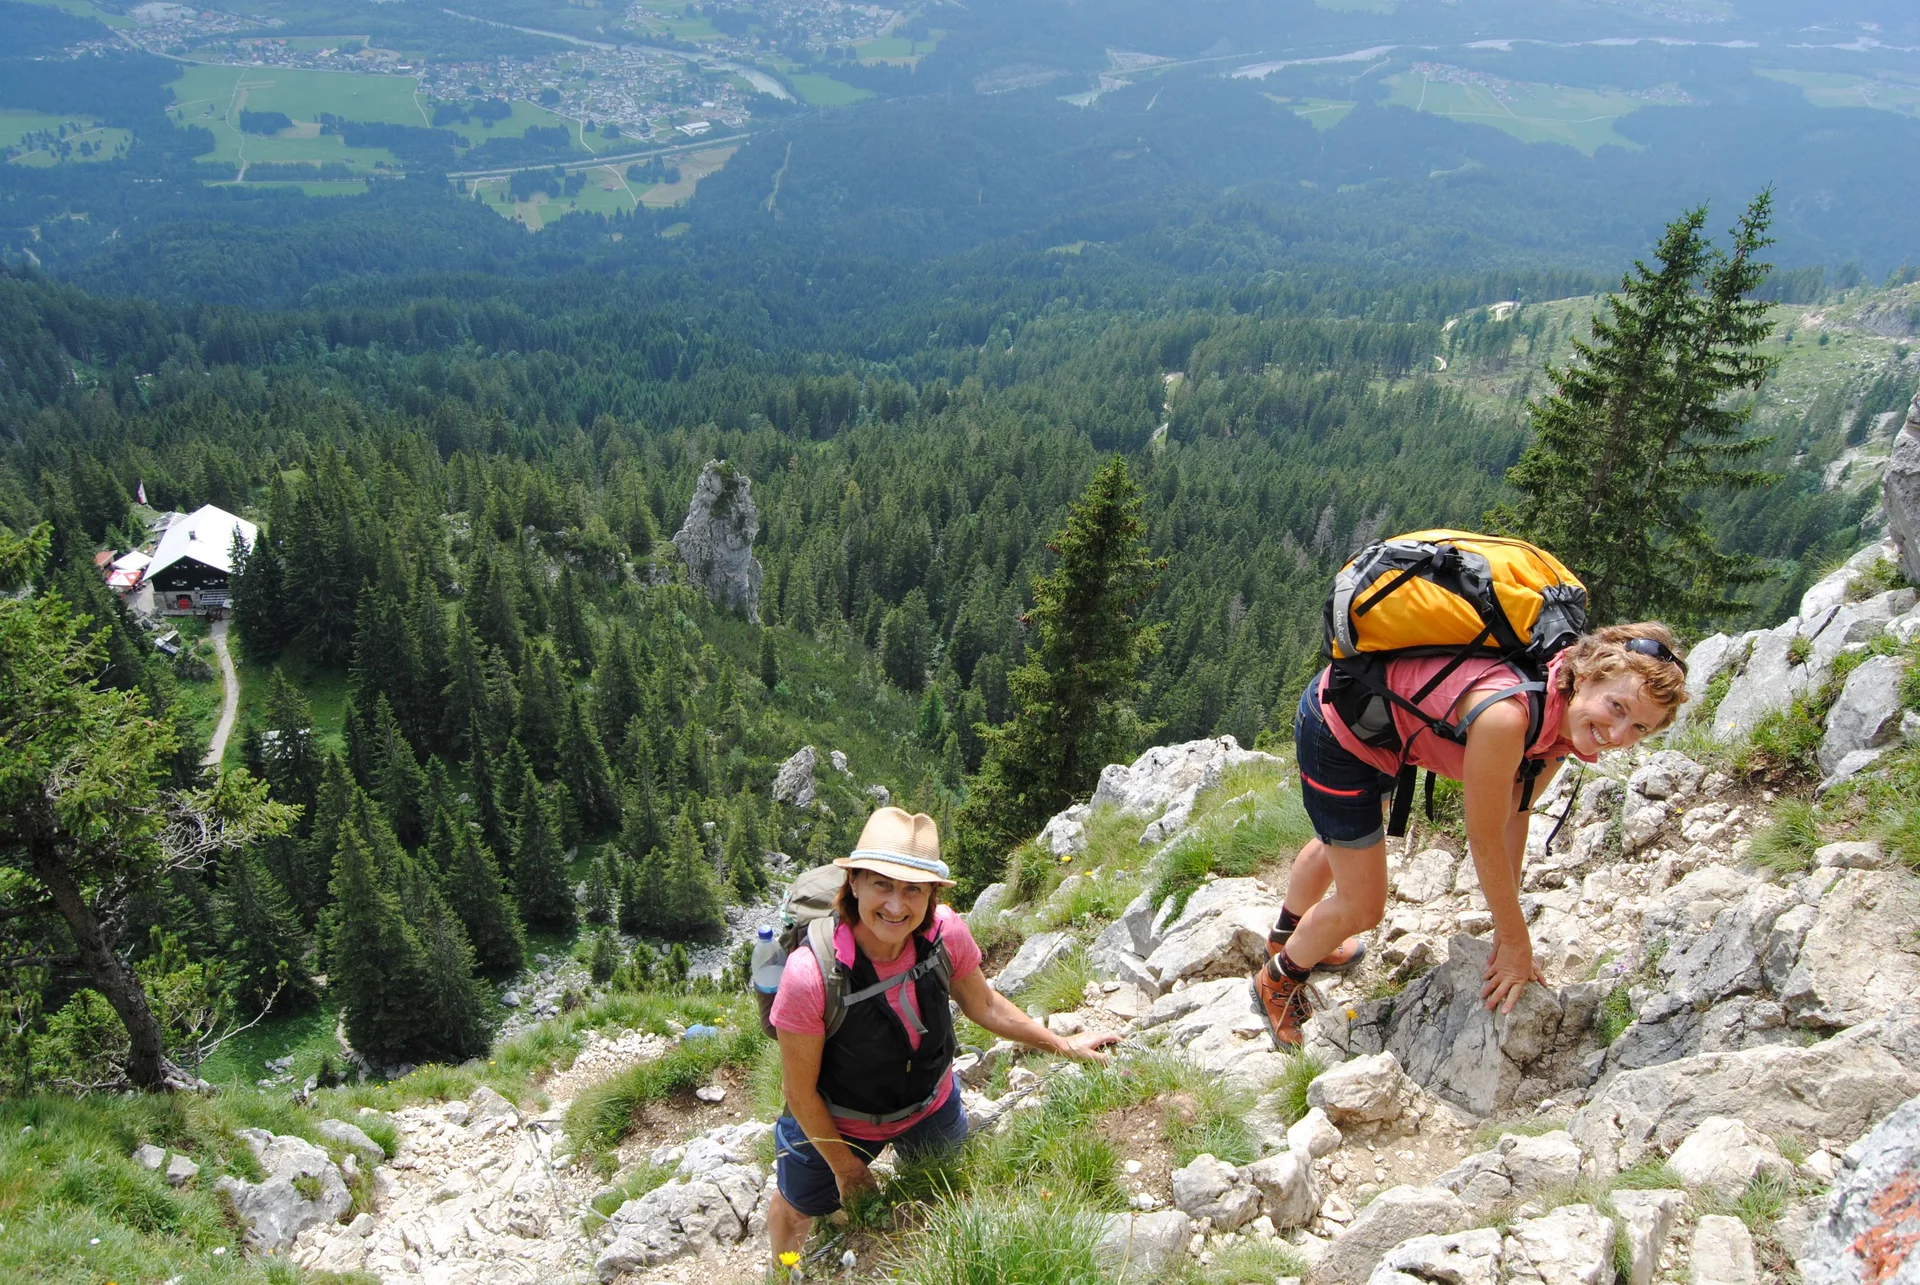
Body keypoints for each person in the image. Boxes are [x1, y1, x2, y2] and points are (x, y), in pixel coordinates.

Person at [1254, 624, 1690, 1047]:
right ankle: (1278, 977)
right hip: (1340, 728)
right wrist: (1516, 939)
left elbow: (1513, 816)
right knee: (1363, 906)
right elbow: (1482, 837)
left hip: (1378, 723)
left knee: (1345, 840)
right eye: (1617, 707)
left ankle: (1285, 934)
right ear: (1589, 676)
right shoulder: (1508, 716)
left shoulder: (1562, 720)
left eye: (1640, 729)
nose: (1616, 736)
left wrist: (1507, 932)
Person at [765, 807, 1119, 1269]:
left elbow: (986, 1006)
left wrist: (1060, 1044)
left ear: (932, 893)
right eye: (882, 884)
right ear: (853, 883)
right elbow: (800, 1090)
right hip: (837, 1123)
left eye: (913, 888)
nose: (896, 905)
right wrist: (848, 1172)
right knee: (796, 1209)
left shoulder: (945, 933)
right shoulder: (810, 975)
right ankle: (779, 1272)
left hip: (929, 1102)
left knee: (941, 1190)